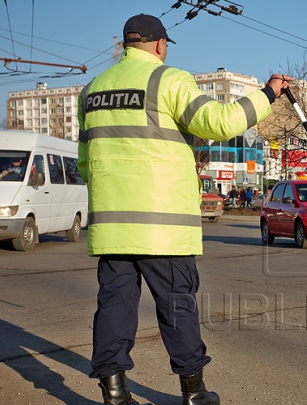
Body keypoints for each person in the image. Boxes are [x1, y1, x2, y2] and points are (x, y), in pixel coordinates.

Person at [77, 13, 293, 405]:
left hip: (111, 227)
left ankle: (113, 393)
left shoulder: (91, 90)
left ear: (126, 45)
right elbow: (220, 121)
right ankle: (194, 394)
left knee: (113, 306)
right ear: (160, 45)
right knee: (177, 307)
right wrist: (268, 93)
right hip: (163, 226)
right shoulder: (168, 79)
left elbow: (83, 161)